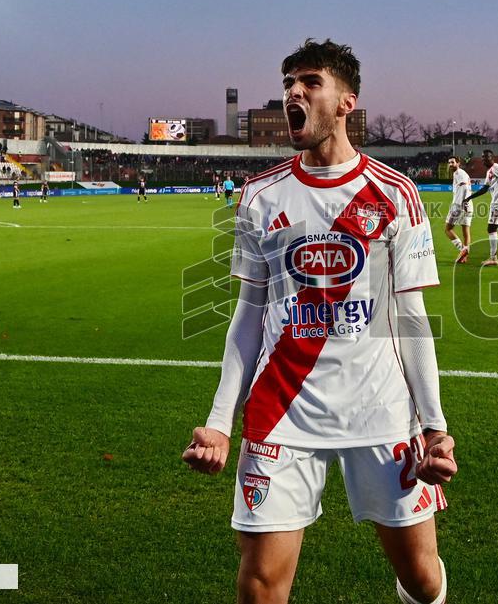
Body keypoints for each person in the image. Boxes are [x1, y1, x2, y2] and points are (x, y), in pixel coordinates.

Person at [182, 39, 456, 604]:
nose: (293, 93)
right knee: (260, 587)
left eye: (309, 82)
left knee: (422, 579)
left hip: (380, 411)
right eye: (288, 84)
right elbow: (248, 316)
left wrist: (433, 427)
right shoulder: (259, 196)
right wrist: (218, 421)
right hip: (281, 411)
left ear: (346, 101)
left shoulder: (396, 195)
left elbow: (412, 319)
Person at [443, 156, 472, 264]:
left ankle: (463, 250)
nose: (450, 164)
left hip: (458, 205)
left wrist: (461, 203)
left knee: (447, 229)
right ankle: (465, 256)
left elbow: (464, 187)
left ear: (458, 163)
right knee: (466, 232)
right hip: (468, 205)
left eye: (452, 162)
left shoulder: (458, 173)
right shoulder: (463, 173)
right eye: (449, 162)